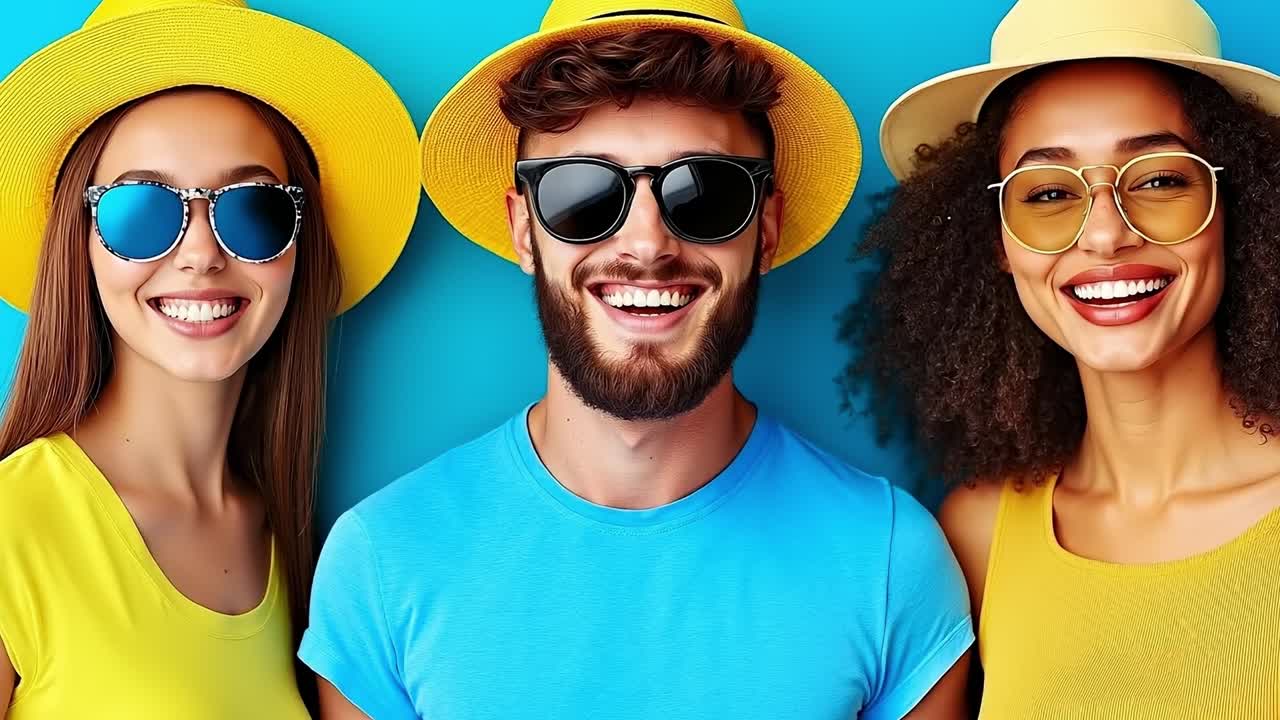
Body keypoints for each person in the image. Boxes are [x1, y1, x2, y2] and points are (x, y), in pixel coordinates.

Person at [300, 1, 974, 718]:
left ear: (766, 228)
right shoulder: (383, 559)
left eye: (706, 193)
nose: (647, 245)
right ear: (523, 228)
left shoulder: (891, 560)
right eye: (584, 194)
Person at [844, 0, 1280, 716]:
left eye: (1160, 179)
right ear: (1000, 244)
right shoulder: (977, 536)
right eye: (1047, 193)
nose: (1106, 234)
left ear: (1238, 206)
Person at [0, 0, 419, 716]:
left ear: (300, 248)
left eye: (254, 210)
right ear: (82, 242)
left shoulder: (307, 553)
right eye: (143, 211)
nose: (199, 254)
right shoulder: (13, 527)